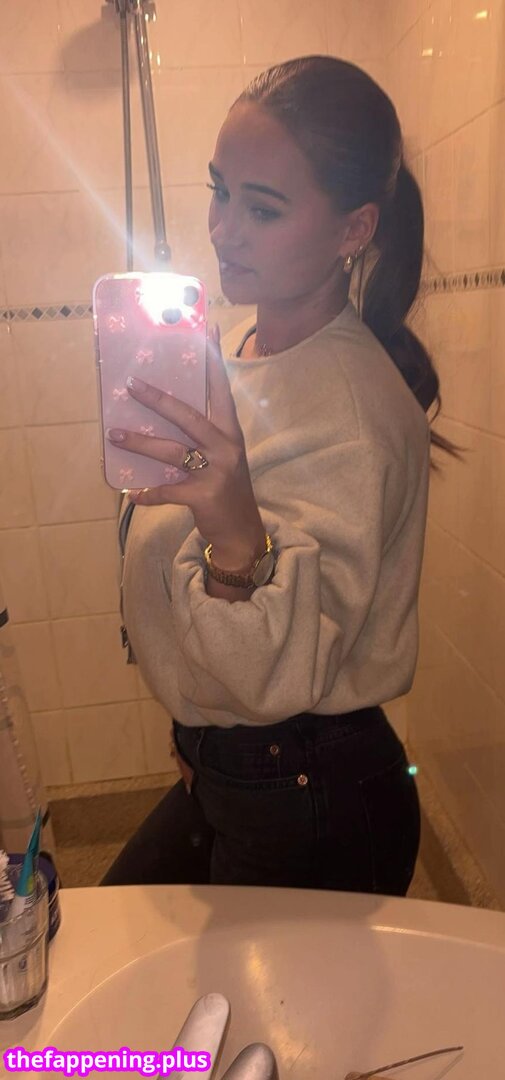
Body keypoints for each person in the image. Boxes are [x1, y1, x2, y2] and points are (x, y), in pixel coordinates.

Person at [101, 55, 456, 895]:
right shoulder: (244, 348)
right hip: (240, 760)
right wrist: (194, 732)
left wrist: (234, 536)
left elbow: (268, 674)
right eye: (220, 190)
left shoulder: (356, 417)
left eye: (261, 208)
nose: (223, 230)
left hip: (308, 793)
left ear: (352, 231)